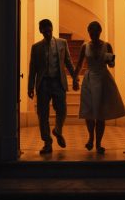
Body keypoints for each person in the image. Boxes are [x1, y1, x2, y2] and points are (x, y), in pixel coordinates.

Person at [73, 20, 125, 153]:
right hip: (89, 79)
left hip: (103, 79)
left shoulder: (107, 45)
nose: (93, 35)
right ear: (88, 33)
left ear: (100, 32)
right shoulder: (85, 46)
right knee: (88, 111)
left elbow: (111, 65)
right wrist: (75, 78)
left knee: (101, 113)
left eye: (95, 33)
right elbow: (79, 64)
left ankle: (98, 143)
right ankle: (91, 137)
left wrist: (110, 59)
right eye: (91, 33)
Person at [27, 18, 79, 154]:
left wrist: (75, 78)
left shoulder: (62, 43)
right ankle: (47, 142)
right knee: (42, 114)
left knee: (62, 109)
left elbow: (68, 62)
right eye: (45, 32)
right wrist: (30, 86)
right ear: (41, 31)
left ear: (52, 29)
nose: (48, 33)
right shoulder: (36, 47)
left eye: (50, 31)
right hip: (43, 83)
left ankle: (58, 130)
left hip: (58, 82)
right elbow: (32, 68)